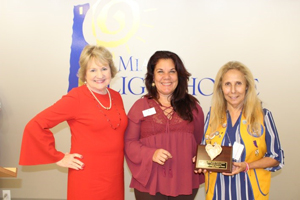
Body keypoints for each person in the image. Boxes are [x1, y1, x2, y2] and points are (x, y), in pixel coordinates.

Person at [19, 45, 128, 200]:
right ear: (84, 73)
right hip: (87, 176)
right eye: (92, 70)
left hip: (114, 176)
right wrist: (58, 157)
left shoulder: (116, 96)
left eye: (104, 68)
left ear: (111, 70)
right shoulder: (76, 97)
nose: (100, 75)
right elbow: (35, 125)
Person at [196, 61, 284, 200]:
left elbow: (276, 157)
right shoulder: (212, 115)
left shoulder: (263, 116)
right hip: (218, 193)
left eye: (238, 83)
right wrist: (200, 162)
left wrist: (247, 166)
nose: (233, 90)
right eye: (227, 84)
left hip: (250, 193)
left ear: (247, 86)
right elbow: (206, 150)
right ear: (220, 88)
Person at [124, 51, 205, 200]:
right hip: (149, 183)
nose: (166, 77)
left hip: (184, 182)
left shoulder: (193, 108)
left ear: (179, 76)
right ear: (153, 76)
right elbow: (129, 143)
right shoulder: (139, 106)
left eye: (172, 71)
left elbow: (200, 142)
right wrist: (151, 154)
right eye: (160, 71)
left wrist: (201, 160)